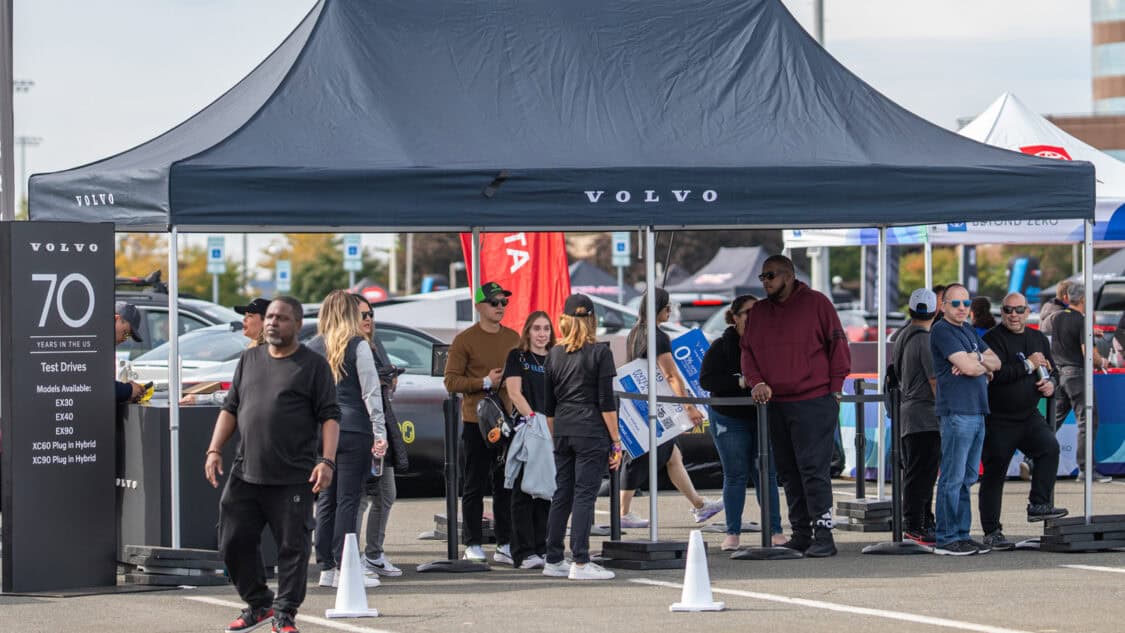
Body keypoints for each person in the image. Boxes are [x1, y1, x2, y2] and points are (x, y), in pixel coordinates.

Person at [204, 297, 340, 633]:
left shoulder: (313, 365)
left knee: (292, 549)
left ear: (297, 323)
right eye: (269, 317)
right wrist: (214, 449)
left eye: (280, 318)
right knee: (232, 541)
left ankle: (284, 615)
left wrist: (327, 460)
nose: (271, 323)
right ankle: (259, 604)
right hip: (245, 471)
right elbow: (231, 408)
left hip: (293, 475)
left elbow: (330, 416)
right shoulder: (249, 359)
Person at [741, 255, 851, 558]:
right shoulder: (759, 312)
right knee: (788, 472)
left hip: (814, 401)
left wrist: (834, 391)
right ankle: (801, 533)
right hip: (776, 403)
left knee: (814, 470)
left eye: (770, 275)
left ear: (788, 276)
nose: (765, 281)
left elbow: (838, 346)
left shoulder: (817, 303)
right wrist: (756, 381)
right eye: (762, 277)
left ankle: (824, 534)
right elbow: (747, 352)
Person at [619, 287, 721, 528]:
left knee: (674, 457)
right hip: (656, 409)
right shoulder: (658, 336)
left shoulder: (636, 333)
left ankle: (699, 505)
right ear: (659, 308)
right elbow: (671, 374)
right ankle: (622, 512)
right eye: (668, 307)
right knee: (638, 458)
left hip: (641, 403)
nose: (670, 311)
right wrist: (689, 408)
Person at [306, 290, 387, 589]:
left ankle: (326, 565)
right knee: (348, 500)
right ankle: (345, 566)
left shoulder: (313, 347)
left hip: (322, 431)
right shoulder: (359, 345)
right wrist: (380, 432)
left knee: (326, 499)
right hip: (354, 428)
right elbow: (370, 392)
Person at [979, 292, 1068, 551]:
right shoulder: (992, 339)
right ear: (1002, 312)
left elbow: (1054, 369)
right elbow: (997, 374)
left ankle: (1038, 504)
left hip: (1029, 416)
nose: (1014, 315)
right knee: (994, 475)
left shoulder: (1037, 337)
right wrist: (1028, 366)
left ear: (1028, 311)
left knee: (1049, 448)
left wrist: (1051, 383)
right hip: (999, 419)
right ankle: (992, 531)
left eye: (1019, 310)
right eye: (1008, 310)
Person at [542, 294, 621, 580]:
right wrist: (616, 440)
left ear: (563, 320)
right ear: (592, 320)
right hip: (590, 428)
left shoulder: (553, 354)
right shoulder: (600, 352)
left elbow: (548, 406)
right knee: (584, 495)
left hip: (562, 428)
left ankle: (553, 558)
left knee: (562, 493)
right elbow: (606, 402)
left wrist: (557, 434)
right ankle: (581, 560)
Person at [699, 294, 784, 550]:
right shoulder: (720, 346)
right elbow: (707, 381)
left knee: (766, 474)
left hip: (762, 416)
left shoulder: (772, 344)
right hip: (729, 418)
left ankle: (775, 529)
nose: (754, 317)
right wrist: (741, 382)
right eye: (748, 312)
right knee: (735, 474)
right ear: (734, 317)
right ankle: (732, 532)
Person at [443, 281, 520, 563]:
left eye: (503, 302)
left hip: (507, 422)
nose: (500, 307)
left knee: (505, 484)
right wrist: (485, 381)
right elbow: (450, 381)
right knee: (474, 483)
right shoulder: (464, 340)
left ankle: (505, 542)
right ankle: (473, 541)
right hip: (476, 421)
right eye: (494, 303)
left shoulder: (513, 337)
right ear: (479, 306)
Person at [929, 283, 1001, 556]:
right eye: (955, 303)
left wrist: (976, 360)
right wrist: (977, 366)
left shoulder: (968, 331)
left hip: (977, 411)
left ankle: (962, 534)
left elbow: (997, 362)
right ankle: (947, 538)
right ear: (943, 306)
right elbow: (974, 367)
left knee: (968, 477)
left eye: (966, 303)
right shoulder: (942, 330)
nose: (962, 308)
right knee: (953, 477)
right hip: (957, 412)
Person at [354, 294, 408, 578]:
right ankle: (352, 558)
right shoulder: (352, 347)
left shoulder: (373, 345)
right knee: (362, 496)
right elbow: (362, 391)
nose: (368, 319)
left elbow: (377, 389)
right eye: (362, 314)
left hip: (379, 428)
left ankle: (373, 554)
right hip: (362, 432)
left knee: (385, 494)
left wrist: (388, 378)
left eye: (370, 313)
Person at [502, 311, 556, 569]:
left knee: (546, 491)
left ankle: (542, 548)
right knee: (523, 492)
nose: (542, 333)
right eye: (537, 328)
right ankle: (523, 552)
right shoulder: (517, 357)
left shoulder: (557, 357)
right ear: (528, 331)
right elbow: (514, 392)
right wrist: (534, 418)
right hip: (529, 428)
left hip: (552, 429)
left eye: (546, 328)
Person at [1050, 282, 1112, 483]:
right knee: (1088, 421)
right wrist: (1103, 361)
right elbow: (1089, 356)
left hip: (1060, 375)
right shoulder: (1082, 321)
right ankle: (1086, 470)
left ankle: (1030, 458)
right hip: (1077, 375)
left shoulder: (1057, 317)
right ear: (1084, 299)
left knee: (1053, 420)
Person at [894, 289, 939, 546]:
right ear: (935, 311)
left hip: (909, 414)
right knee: (922, 473)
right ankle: (915, 523)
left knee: (917, 471)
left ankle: (921, 519)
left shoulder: (902, 335)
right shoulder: (925, 340)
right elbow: (934, 381)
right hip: (925, 415)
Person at [114, 301, 145, 403]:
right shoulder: (96, 345)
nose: (125, 339)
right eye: (126, 333)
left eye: (128, 336)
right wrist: (129, 390)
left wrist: (127, 391)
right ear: (117, 319)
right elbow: (100, 387)